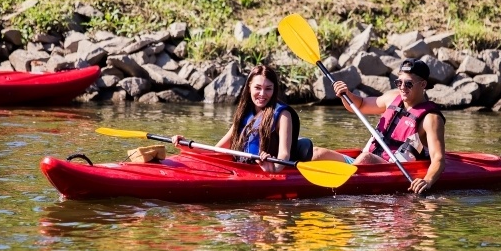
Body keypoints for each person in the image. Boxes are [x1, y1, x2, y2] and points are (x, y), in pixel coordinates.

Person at [312, 58, 446, 194]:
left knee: (366, 158)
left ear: (423, 84)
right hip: (361, 165)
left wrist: (427, 181)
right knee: (316, 153)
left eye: (408, 84)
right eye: (399, 82)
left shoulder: (431, 119)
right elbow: (360, 104)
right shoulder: (392, 97)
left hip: (390, 171)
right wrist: (346, 95)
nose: (402, 87)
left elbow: (438, 158)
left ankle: (333, 188)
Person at [172, 65, 307, 173]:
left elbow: (284, 154)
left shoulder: (283, 115)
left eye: (268, 89)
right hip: (242, 168)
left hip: (266, 170)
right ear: (249, 88)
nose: (262, 94)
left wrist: (274, 169)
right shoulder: (244, 114)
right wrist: (186, 145)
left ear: (274, 90)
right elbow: (217, 150)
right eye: (258, 88)